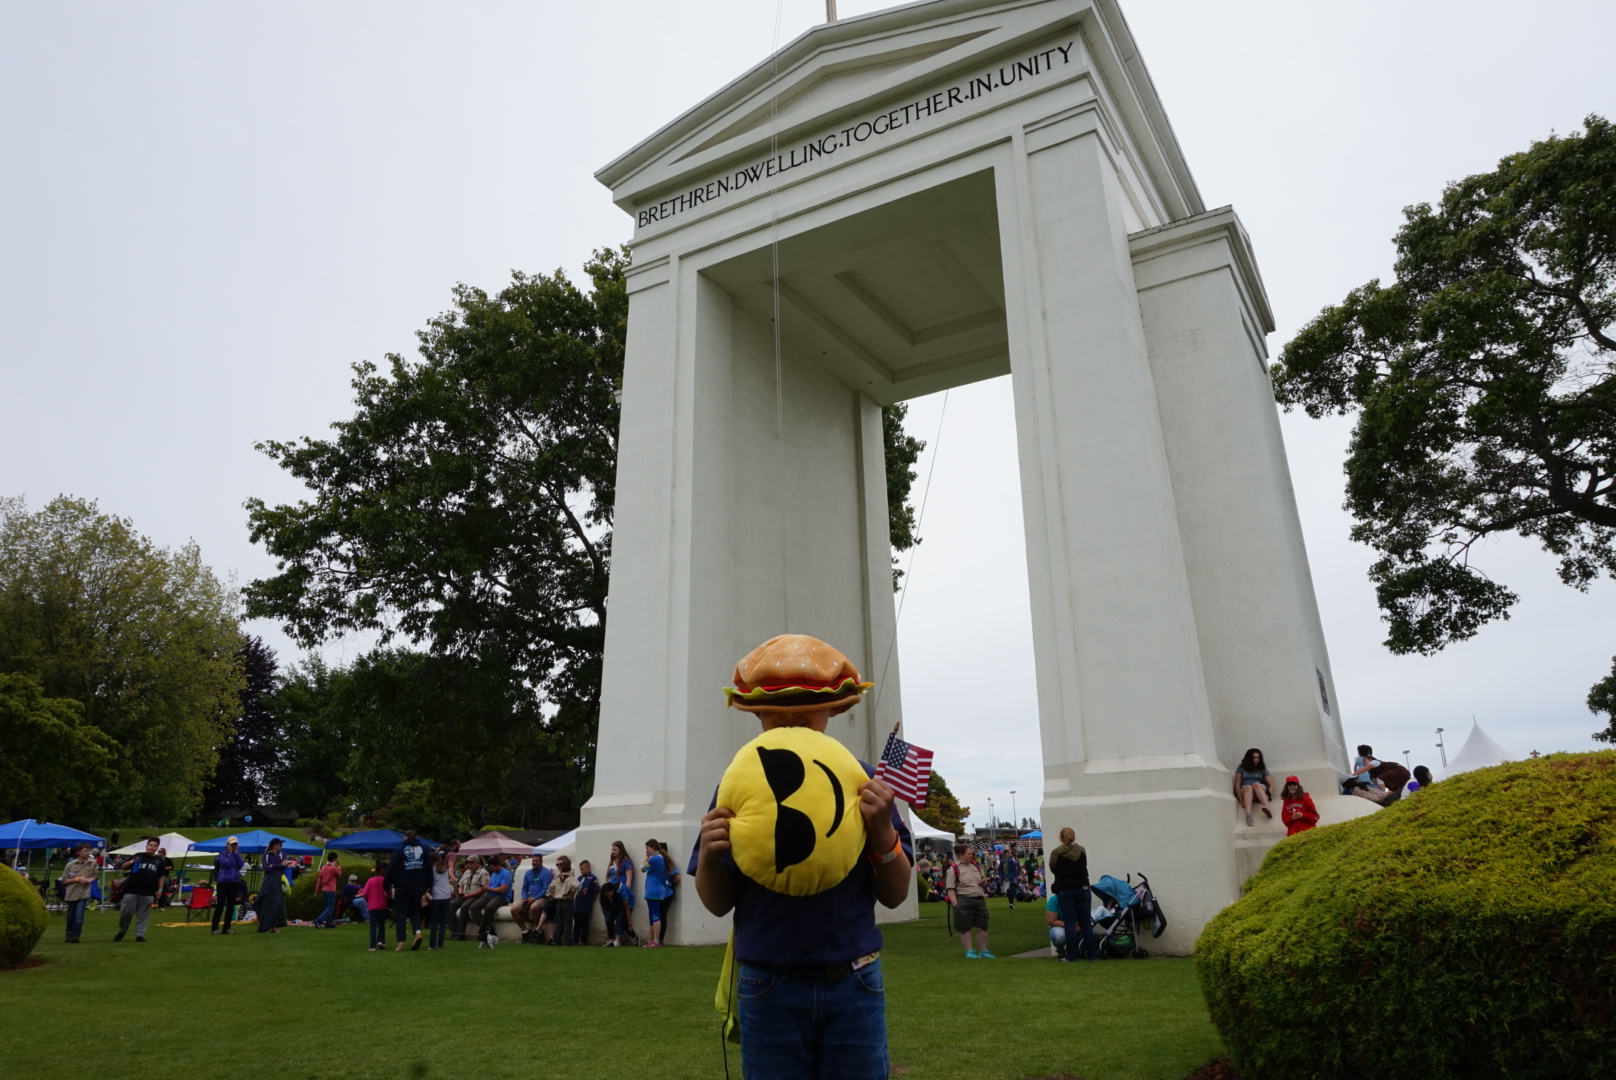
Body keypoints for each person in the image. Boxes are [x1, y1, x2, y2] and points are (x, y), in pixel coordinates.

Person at [694, 633, 912, 1080]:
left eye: (807, 704)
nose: (790, 715)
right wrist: (712, 856)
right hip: (768, 982)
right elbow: (717, 903)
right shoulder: (737, 786)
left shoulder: (865, 784)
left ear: (833, 709)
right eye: (776, 707)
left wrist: (882, 832)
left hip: (854, 980)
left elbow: (895, 895)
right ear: (757, 714)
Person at [1049, 827, 1097, 963]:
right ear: (1074, 837)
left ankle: (1072, 955)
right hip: (1083, 887)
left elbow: (1052, 868)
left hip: (1065, 889)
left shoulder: (1056, 853)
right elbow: (1084, 864)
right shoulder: (1081, 850)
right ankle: (1093, 954)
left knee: (1069, 922)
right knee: (1086, 922)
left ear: (1060, 838)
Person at [385, 829, 432, 951]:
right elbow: (428, 868)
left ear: (405, 837)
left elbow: (391, 869)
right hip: (418, 885)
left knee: (401, 913)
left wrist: (386, 885)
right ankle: (418, 932)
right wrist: (427, 886)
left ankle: (401, 943)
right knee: (415, 911)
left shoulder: (400, 850)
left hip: (402, 885)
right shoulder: (424, 849)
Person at [113, 837, 165, 943]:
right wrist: (132, 861)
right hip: (132, 889)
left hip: (148, 891)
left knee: (143, 915)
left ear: (157, 848)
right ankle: (122, 931)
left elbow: (161, 876)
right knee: (126, 913)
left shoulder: (159, 860)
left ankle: (140, 935)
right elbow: (123, 867)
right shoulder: (138, 855)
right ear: (146, 846)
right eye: (150, 845)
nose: (152, 847)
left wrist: (160, 890)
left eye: (155, 846)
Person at [945, 842, 992, 958]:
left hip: (979, 900)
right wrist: (955, 903)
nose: (971, 855)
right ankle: (969, 951)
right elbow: (950, 888)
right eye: (969, 854)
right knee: (965, 928)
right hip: (964, 900)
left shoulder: (976, 865)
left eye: (972, 853)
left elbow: (983, 878)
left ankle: (983, 951)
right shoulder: (954, 868)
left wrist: (984, 881)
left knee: (982, 927)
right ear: (961, 854)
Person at [512, 852, 551, 944]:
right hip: (529, 897)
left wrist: (534, 899)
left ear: (541, 862)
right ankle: (525, 931)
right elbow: (524, 889)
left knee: (533, 907)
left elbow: (546, 889)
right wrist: (524, 898)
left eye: (537, 861)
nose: (535, 863)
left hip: (542, 897)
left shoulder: (546, 873)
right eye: (533, 861)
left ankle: (538, 931)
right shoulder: (528, 873)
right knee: (514, 909)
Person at [61, 843, 97, 944]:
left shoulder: (92, 863)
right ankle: (69, 933)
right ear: (78, 852)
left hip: (84, 892)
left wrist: (90, 880)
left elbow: (94, 875)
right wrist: (77, 879)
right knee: (70, 915)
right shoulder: (70, 865)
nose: (88, 853)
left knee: (79, 915)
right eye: (85, 851)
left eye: (89, 851)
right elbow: (64, 881)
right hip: (72, 892)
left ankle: (76, 935)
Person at [641, 840, 672, 947]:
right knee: (652, 916)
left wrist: (646, 858)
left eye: (647, 848)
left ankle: (656, 941)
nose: (646, 850)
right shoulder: (660, 858)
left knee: (655, 915)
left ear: (653, 847)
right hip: (656, 890)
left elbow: (642, 869)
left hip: (654, 891)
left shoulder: (654, 859)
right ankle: (651, 941)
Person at [212, 836, 245, 935]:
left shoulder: (237, 854)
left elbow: (241, 864)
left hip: (234, 881)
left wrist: (236, 853)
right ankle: (214, 928)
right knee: (220, 905)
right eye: (232, 844)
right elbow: (227, 863)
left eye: (235, 844)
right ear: (227, 845)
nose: (234, 846)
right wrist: (230, 853)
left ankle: (226, 928)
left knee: (231, 905)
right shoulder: (222, 854)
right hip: (223, 882)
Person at [604, 840, 635, 945]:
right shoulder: (612, 862)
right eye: (612, 849)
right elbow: (609, 876)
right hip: (611, 891)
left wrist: (626, 890)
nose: (613, 851)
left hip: (620, 890)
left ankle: (618, 939)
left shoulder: (626, 862)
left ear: (621, 850)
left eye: (615, 850)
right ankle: (611, 938)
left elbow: (629, 877)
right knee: (609, 916)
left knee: (619, 917)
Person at [451, 856, 488, 941]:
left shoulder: (483, 873)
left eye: (472, 863)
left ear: (478, 863)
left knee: (464, 907)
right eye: (468, 863)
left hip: (476, 896)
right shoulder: (467, 872)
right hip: (464, 895)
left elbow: (484, 889)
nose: (469, 865)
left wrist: (470, 895)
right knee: (451, 906)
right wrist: (460, 892)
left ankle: (461, 934)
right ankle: (454, 931)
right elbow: (461, 885)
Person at [1234, 748, 1274, 826]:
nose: (1257, 760)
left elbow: (1272, 785)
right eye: (1254, 758)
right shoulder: (1241, 768)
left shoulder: (1262, 768)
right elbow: (1237, 785)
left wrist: (1267, 796)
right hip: (1247, 792)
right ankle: (1249, 815)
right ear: (1249, 758)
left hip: (1259, 790)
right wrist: (1241, 801)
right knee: (1248, 787)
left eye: (1258, 758)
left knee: (1256, 784)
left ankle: (1267, 808)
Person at [477, 854, 512, 942]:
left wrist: (489, 889)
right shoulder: (493, 873)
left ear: (497, 865)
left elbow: (503, 889)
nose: (491, 869)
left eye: (492, 867)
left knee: (489, 907)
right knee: (474, 906)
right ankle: (487, 928)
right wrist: (486, 888)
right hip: (491, 895)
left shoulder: (506, 873)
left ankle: (481, 931)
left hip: (502, 897)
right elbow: (492, 886)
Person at [256, 838, 288, 933]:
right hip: (270, 881)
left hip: (278, 881)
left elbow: (284, 865)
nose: (281, 847)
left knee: (277, 903)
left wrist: (273, 865)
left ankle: (274, 925)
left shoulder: (282, 854)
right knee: (268, 903)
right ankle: (265, 926)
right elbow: (266, 867)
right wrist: (279, 865)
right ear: (274, 846)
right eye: (279, 845)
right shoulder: (266, 855)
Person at [546, 856, 578, 945]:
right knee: (562, 920)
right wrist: (553, 894)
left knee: (565, 921)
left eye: (560, 864)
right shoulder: (560, 877)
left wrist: (572, 893)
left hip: (565, 900)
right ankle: (561, 940)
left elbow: (576, 884)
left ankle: (563, 940)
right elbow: (550, 888)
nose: (558, 866)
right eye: (557, 865)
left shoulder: (569, 876)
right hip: (561, 900)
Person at [427, 852, 453, 950]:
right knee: (442, 921)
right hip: (447, 895)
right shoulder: (445, 869)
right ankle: (440, 944)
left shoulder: (431, 870)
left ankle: (432, 945)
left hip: (437, 895)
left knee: (434, 921)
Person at [360, 872, 390, 951]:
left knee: (373, 926)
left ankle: (372, 946)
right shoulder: (384, 880)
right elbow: (388, 892)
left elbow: (365, 893)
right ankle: (381, 941)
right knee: (381, 924)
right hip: (382, 905)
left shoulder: (370, 880)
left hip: (372, 905)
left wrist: (368, 901)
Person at [572, 859, 599, 945]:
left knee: (584, 923)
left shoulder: (592, 878)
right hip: (577, 903)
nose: (581, 871)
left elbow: (596, 891)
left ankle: (582, 940)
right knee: (576, 922)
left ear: (588, 868)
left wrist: (592, 900)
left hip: (586, 904)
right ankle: (575, 939)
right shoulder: (579, 878)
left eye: (582, 869)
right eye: (580, 869)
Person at [314, 852, 342, 928]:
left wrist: (317, 891)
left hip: (324, 889)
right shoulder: (333, 868)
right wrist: (339, 865)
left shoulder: (323, 868)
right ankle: (319, 920)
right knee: (330, 907)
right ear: (334, 859)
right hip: (331, 889)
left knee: (326, 907)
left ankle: (329, 923)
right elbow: (339, 874)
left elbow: (319, 880)